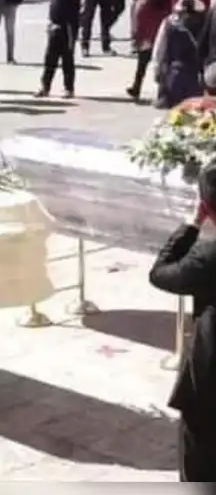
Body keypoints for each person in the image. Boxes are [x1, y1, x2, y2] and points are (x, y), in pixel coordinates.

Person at [147, 156, 216, 482]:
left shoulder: (207, 258)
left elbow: (161, 273)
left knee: (201, 450)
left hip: (211, 370)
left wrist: (191, 225)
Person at [36, 0, 82, 98]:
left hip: (68, 27)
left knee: (67, 58)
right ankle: (45, 86)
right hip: (54, 26)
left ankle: (69, 88)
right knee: (50, 58)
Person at [153, 0, 206, 110]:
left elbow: (159, 51)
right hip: (195, 80)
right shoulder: (203, 24)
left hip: (173, 78)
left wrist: (157, 71)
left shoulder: (168, 23)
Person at [127, 0, 172, 101]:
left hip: (147, 37)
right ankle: (162, 92)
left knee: (142, 65)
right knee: (163, 65)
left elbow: (138, 16)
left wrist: (136, 36)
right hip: (163, 35)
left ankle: (136, 87)